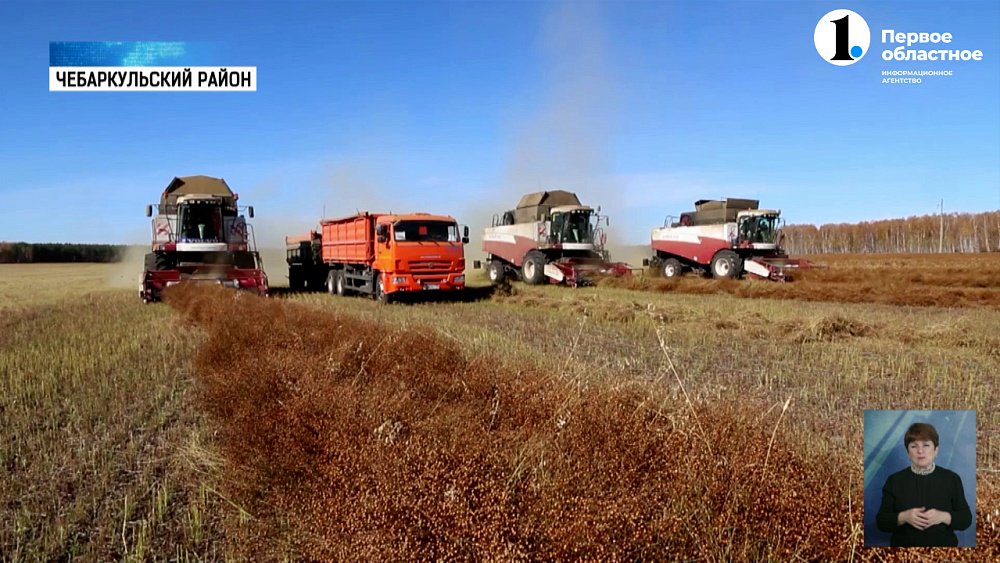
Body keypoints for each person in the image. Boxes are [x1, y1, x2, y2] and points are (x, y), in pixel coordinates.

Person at [875, 422, 972, 547]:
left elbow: (966, 519)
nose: (920, 451)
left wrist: (943, 516)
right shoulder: (894, 480)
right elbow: (881, 522)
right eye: (914, 446)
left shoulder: (952, 479)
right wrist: (903, 517)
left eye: (926, 445)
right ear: (908, 452)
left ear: (936, 450)